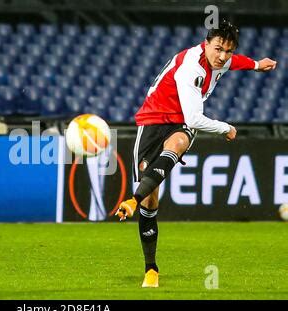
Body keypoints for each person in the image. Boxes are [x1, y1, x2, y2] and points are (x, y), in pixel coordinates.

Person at [115, 20, 277, 288]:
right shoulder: (192, 69)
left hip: (179, 124)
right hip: (153, 120)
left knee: (178, 143)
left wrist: (258, 64)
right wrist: (226, 127)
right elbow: (195, 117)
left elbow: (236, 62)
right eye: (218, 49)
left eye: (228, 50)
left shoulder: (222, 59)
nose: (222, 56)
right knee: (151, 202)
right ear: (206, 44)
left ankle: (132, 201)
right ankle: (151, 266)